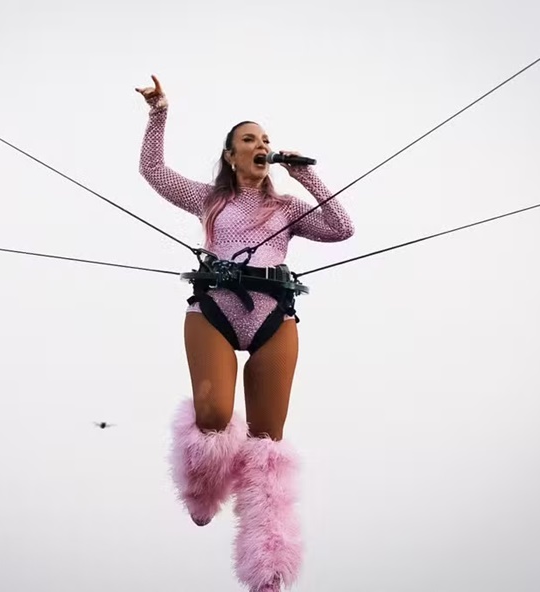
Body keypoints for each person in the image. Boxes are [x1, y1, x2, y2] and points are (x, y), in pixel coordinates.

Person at [136, 74, 354, 592]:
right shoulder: (209, 199)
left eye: (264, 139)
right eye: (248, 140)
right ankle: (202, 490)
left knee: (267, 444)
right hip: (215, 306)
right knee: (212, 416)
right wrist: (159, 113)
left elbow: (341, 228)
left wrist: (309, 179)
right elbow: (152, 171)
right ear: (231, 156)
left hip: (274, 315)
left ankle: (268, 569)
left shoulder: (287, 209)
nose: (261, 145)